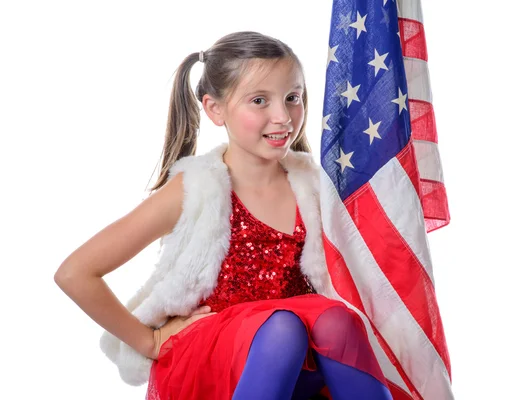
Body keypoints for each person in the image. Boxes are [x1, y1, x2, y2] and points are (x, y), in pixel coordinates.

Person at [54, 31, 393, 400]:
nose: (283, 117)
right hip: (214, 361)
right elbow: (75, 273)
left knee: (336, 321)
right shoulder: (195, 190)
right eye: (260, 100)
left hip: (303, 364)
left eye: (293, 98)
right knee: (283, 328)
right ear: (215, 109)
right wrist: (148, 340)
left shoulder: (315, 189)